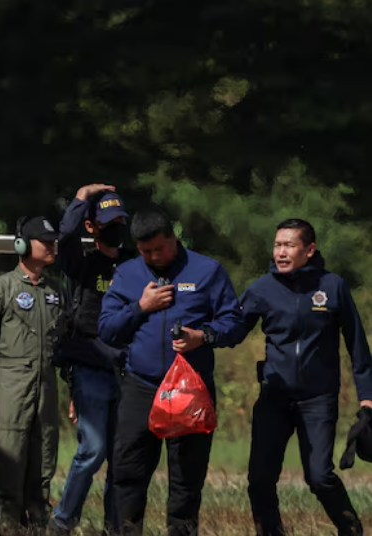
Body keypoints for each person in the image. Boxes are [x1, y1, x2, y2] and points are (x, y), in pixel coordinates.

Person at [98, 206, 243, 536]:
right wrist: (141, 307)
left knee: (186, 478)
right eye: (145, 251)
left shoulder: (207, 271)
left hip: (189, 391)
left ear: (173, 238)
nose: (153, 257)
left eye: (159, 249)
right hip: (141, 386)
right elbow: (107, 328)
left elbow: (233, 323)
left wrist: (202, 336)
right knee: (126, 472)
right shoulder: (128, 274)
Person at [236, 219, 372, 536]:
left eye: (289, 245)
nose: (281, 252)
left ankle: (351, 529)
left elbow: (357, 345)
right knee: (260, 478)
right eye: (277, 245)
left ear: (309, 250)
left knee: (320, 477)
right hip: (274, 398)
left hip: (318, 400)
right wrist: (201, 334)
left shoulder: (333, 286)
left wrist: (368, 394)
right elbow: (232, 330)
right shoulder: (260, 289)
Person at [0, 215, 65, 536]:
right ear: (23, 245)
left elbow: (67, 345)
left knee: (42, 469)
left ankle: (37, 527)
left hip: (47, 393)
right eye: (44, 240)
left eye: (54, 240)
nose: (52, 245)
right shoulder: (0, 289)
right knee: (9, 468)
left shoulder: (56, 290)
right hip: (11, 391)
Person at [51, 186, 134, 534]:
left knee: (123, 459)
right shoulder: (80, 266)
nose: (115, 227)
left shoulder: (135, 265)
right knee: (94, 449)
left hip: (130, 372)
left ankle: (115, 528)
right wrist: (81, 197)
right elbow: (65, 234)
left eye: (120, 221)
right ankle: (62, 522)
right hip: (90, 369)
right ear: (92, 227)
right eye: (107, 222)